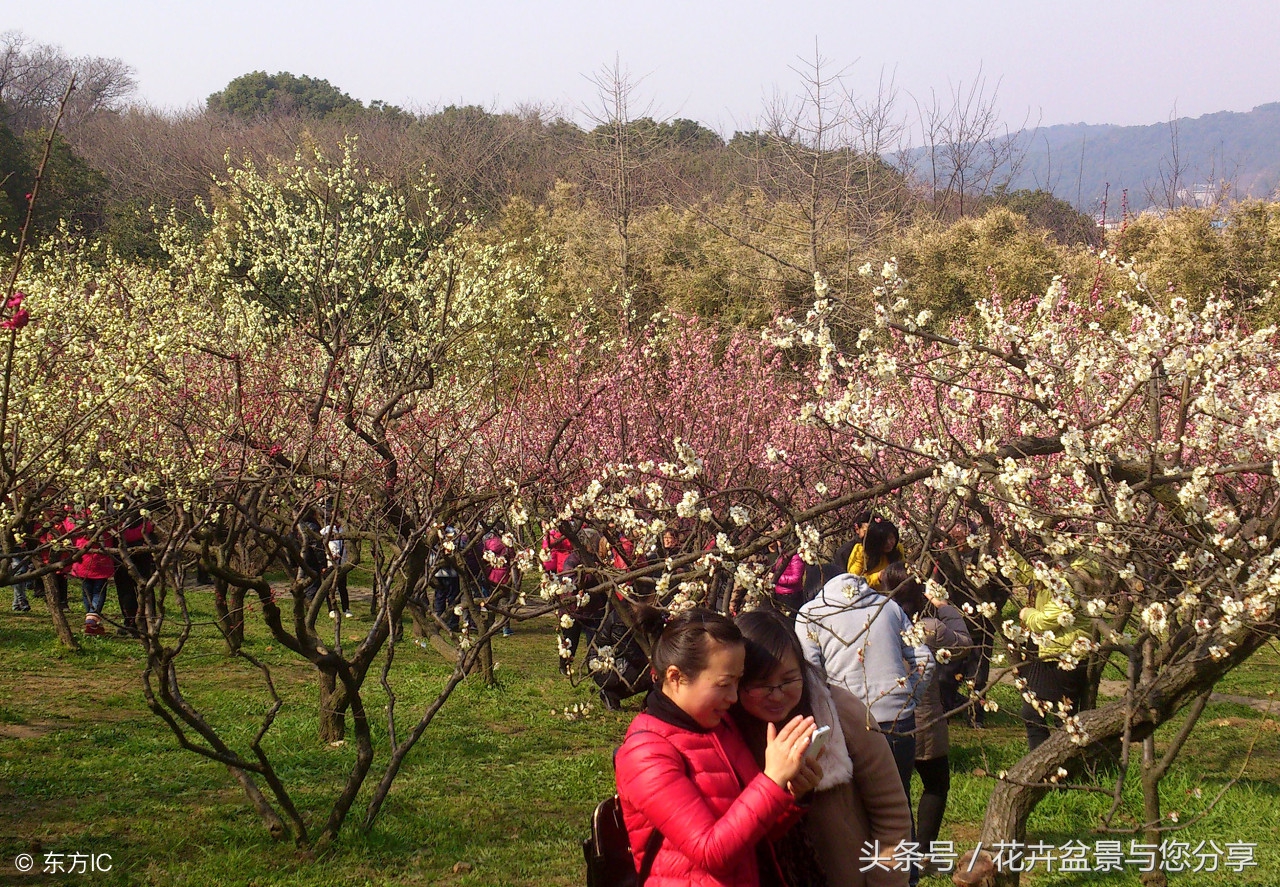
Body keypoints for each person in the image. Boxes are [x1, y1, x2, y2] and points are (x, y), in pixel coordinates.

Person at [615, 607, 819, 887]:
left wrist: (794, 794)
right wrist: (772, 780)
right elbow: (712, 854)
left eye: (738, 682)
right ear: (675, 678)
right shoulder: (645, 753)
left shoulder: (719, 728)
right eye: (724, 684)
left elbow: (753, 834)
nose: (734, 697)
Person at [734, 609, 912, 887]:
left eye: (790, 679)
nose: (777, 694)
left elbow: (893, 817)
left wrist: (883, 880)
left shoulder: (839, 712)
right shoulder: (725, 732)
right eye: (761, 685)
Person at [795, 570, 934, 830]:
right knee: (898, 805)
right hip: (897, 717)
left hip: (848, 719)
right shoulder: (888, 606)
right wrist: (908, 698)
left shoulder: (811, 614)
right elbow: (925, 658)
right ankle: (907, 870)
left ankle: (865, 868)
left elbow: (810, 677)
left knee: (854, 808)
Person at [882, 562, 970, 870]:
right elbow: (963, 644)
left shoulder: (878, 626)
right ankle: (923, 852)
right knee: (935, 784)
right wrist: (944, 607)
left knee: (898, 789)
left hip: (887, 718)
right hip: (925, 718)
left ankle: (902, 852)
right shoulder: (928, 629)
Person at [1015, 551, 1092, 751]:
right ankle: (1044, 769)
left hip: (1063, 655)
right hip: (1049, 651)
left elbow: (1046, 621)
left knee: (1059, 718)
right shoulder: (1061, 569)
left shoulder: (1075, 575)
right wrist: (1005, 551)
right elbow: (1034, 577)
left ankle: (1057, 768)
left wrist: (1027, 614)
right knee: (1035, 713)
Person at [848, 519, 904, 591]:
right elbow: (853, 581)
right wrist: (877, 577)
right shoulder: (861, 551)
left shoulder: (897, 549)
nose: (888, 543)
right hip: (867, 595)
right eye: (883, 540)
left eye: (891, 538)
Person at [321, 517, 353, 619]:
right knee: (329, 588)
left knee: (342, 587)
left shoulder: (344, 530)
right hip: (330, 563)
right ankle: (331, 609)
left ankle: (346, 609)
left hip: (342, 563)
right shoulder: (327, 529)